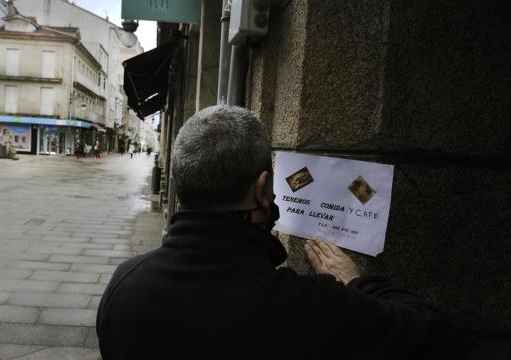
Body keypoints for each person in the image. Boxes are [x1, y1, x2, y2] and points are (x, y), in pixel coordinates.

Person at [96, 105, 460, 360]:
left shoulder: (126, 285)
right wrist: (355, 282)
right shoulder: (304, 306)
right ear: (262, 188)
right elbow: (437, 335)